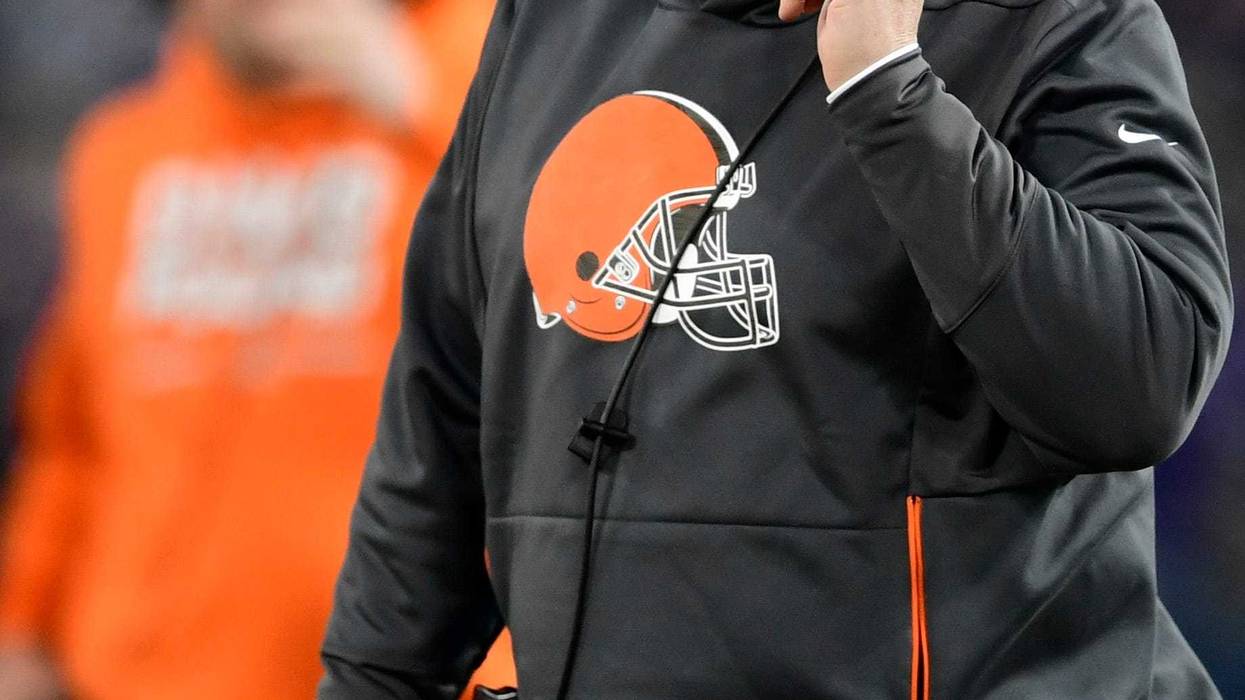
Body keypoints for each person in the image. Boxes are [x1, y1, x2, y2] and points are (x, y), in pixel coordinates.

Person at [319, 0, 1232, 697]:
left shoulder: (1041, 18)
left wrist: (889, 90)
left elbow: (1143, 383)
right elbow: (441, 428)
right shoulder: (547, 22)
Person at [0, 0, 514, 697]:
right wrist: (22, 624)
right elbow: (73, 435)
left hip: (401, 675)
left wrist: (422, 95)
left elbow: (566, 278)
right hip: (143, 677)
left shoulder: (464, 99)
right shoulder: (121, 152)